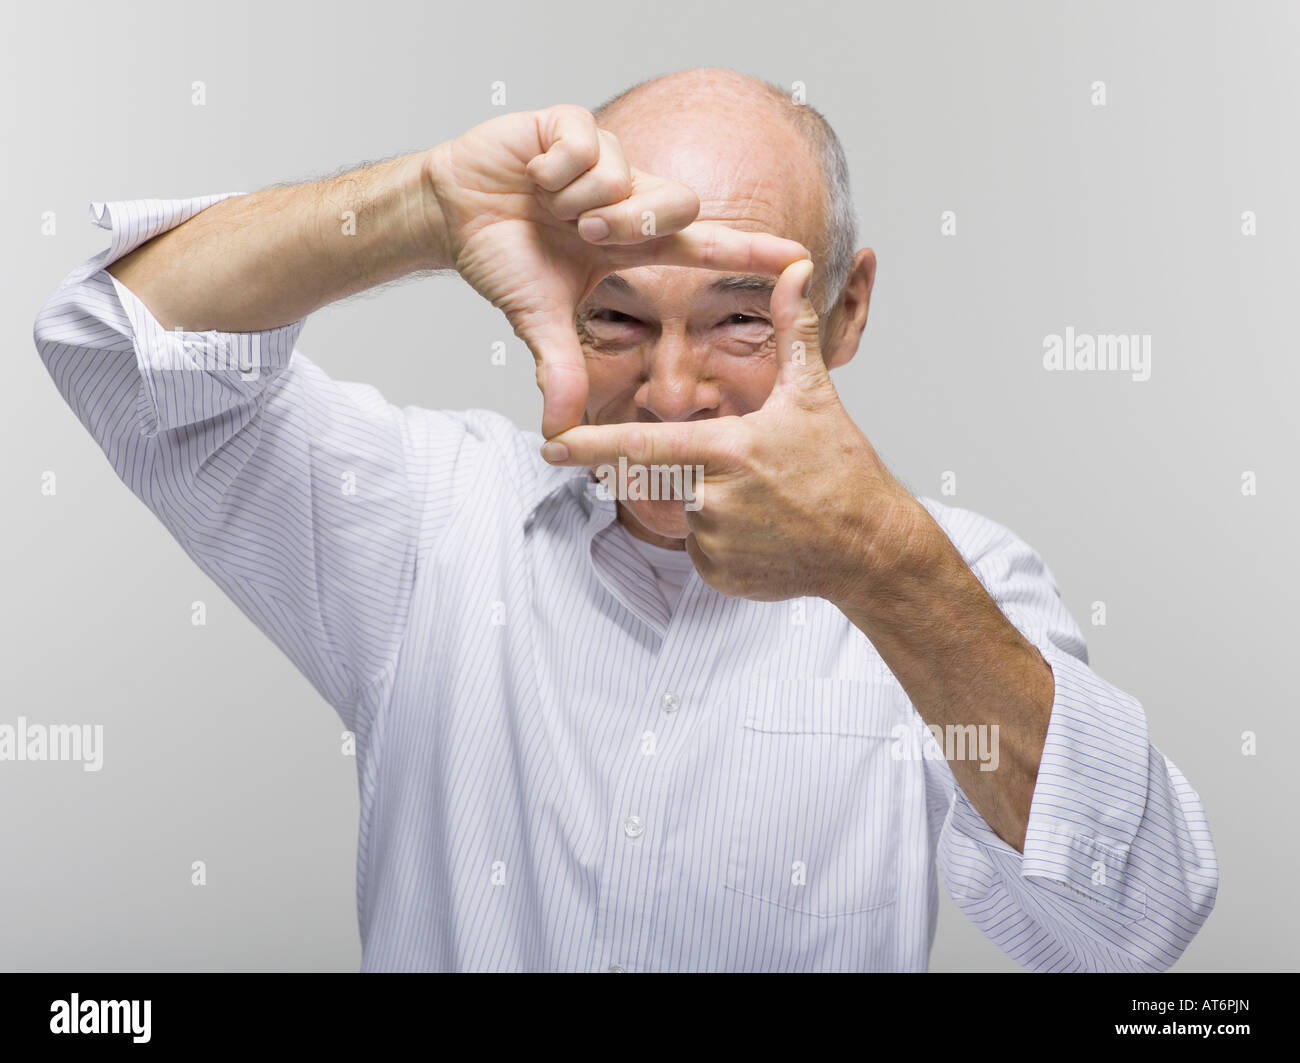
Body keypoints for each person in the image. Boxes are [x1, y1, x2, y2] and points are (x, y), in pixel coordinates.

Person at [33, 67, 1217, 971]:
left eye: (738, 321)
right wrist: (421, 206)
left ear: (845, 312)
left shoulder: (949, 577)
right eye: (615, 320)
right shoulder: (428, 521)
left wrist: (882, 569)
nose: (670, 393)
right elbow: (117, 349)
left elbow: (1137, 919)